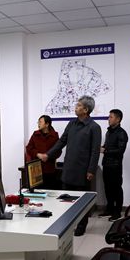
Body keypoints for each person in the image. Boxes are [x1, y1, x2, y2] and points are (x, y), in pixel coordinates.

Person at [37, 95, 101, 235]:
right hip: (68, 168)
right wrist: (48, 155)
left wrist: (91, 170)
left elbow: (95, 151)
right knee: (66, 199)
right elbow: (61, 142)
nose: (75, 107)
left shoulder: (94, 127)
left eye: (78, 106)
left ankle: (81, 225)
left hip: (82, 170)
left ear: (86, 110)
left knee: (81, 200)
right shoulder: (71, 124)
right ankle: (68, 223)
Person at [100, 109, 128, 221]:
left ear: (118, 119)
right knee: (108, 188)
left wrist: (105, 151)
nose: (109, 119)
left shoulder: (121, 133)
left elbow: (120, 150)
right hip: (106, 164)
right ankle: (109, 209)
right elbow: (107, 146)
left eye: (111, 117)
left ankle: (117, 212)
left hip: (115, 166)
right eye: (109, 117)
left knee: (116, 189)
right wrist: (102, 147)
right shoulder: (109, 132)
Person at [25, 115, 61, 189]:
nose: (38, 124)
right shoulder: (35, 134)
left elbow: (58, 151)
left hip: (49, 169)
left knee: (49, 191)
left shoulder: (54, 135)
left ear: (47, 124)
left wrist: (48, 156)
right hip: (36, 169)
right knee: (37, 191)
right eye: (38, 122)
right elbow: (29, 148)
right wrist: (37, 154)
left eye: (40, 122)